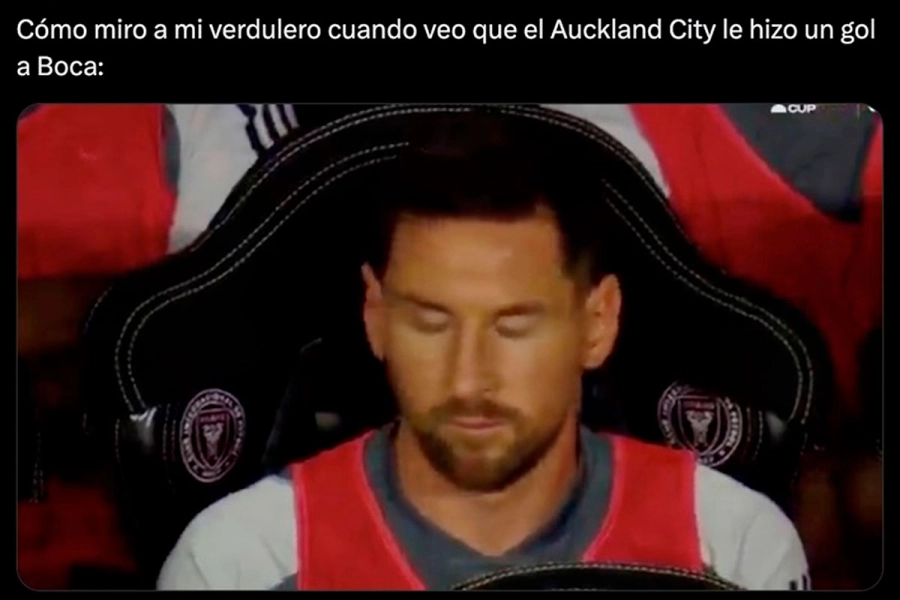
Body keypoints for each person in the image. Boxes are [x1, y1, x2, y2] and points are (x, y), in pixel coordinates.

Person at [157, 117, 809, 591]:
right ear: (376, 318)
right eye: (431, 322)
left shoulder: (733, 548)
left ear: (597, 323)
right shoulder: (240, 562)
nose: (469, 375)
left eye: (514, 326)